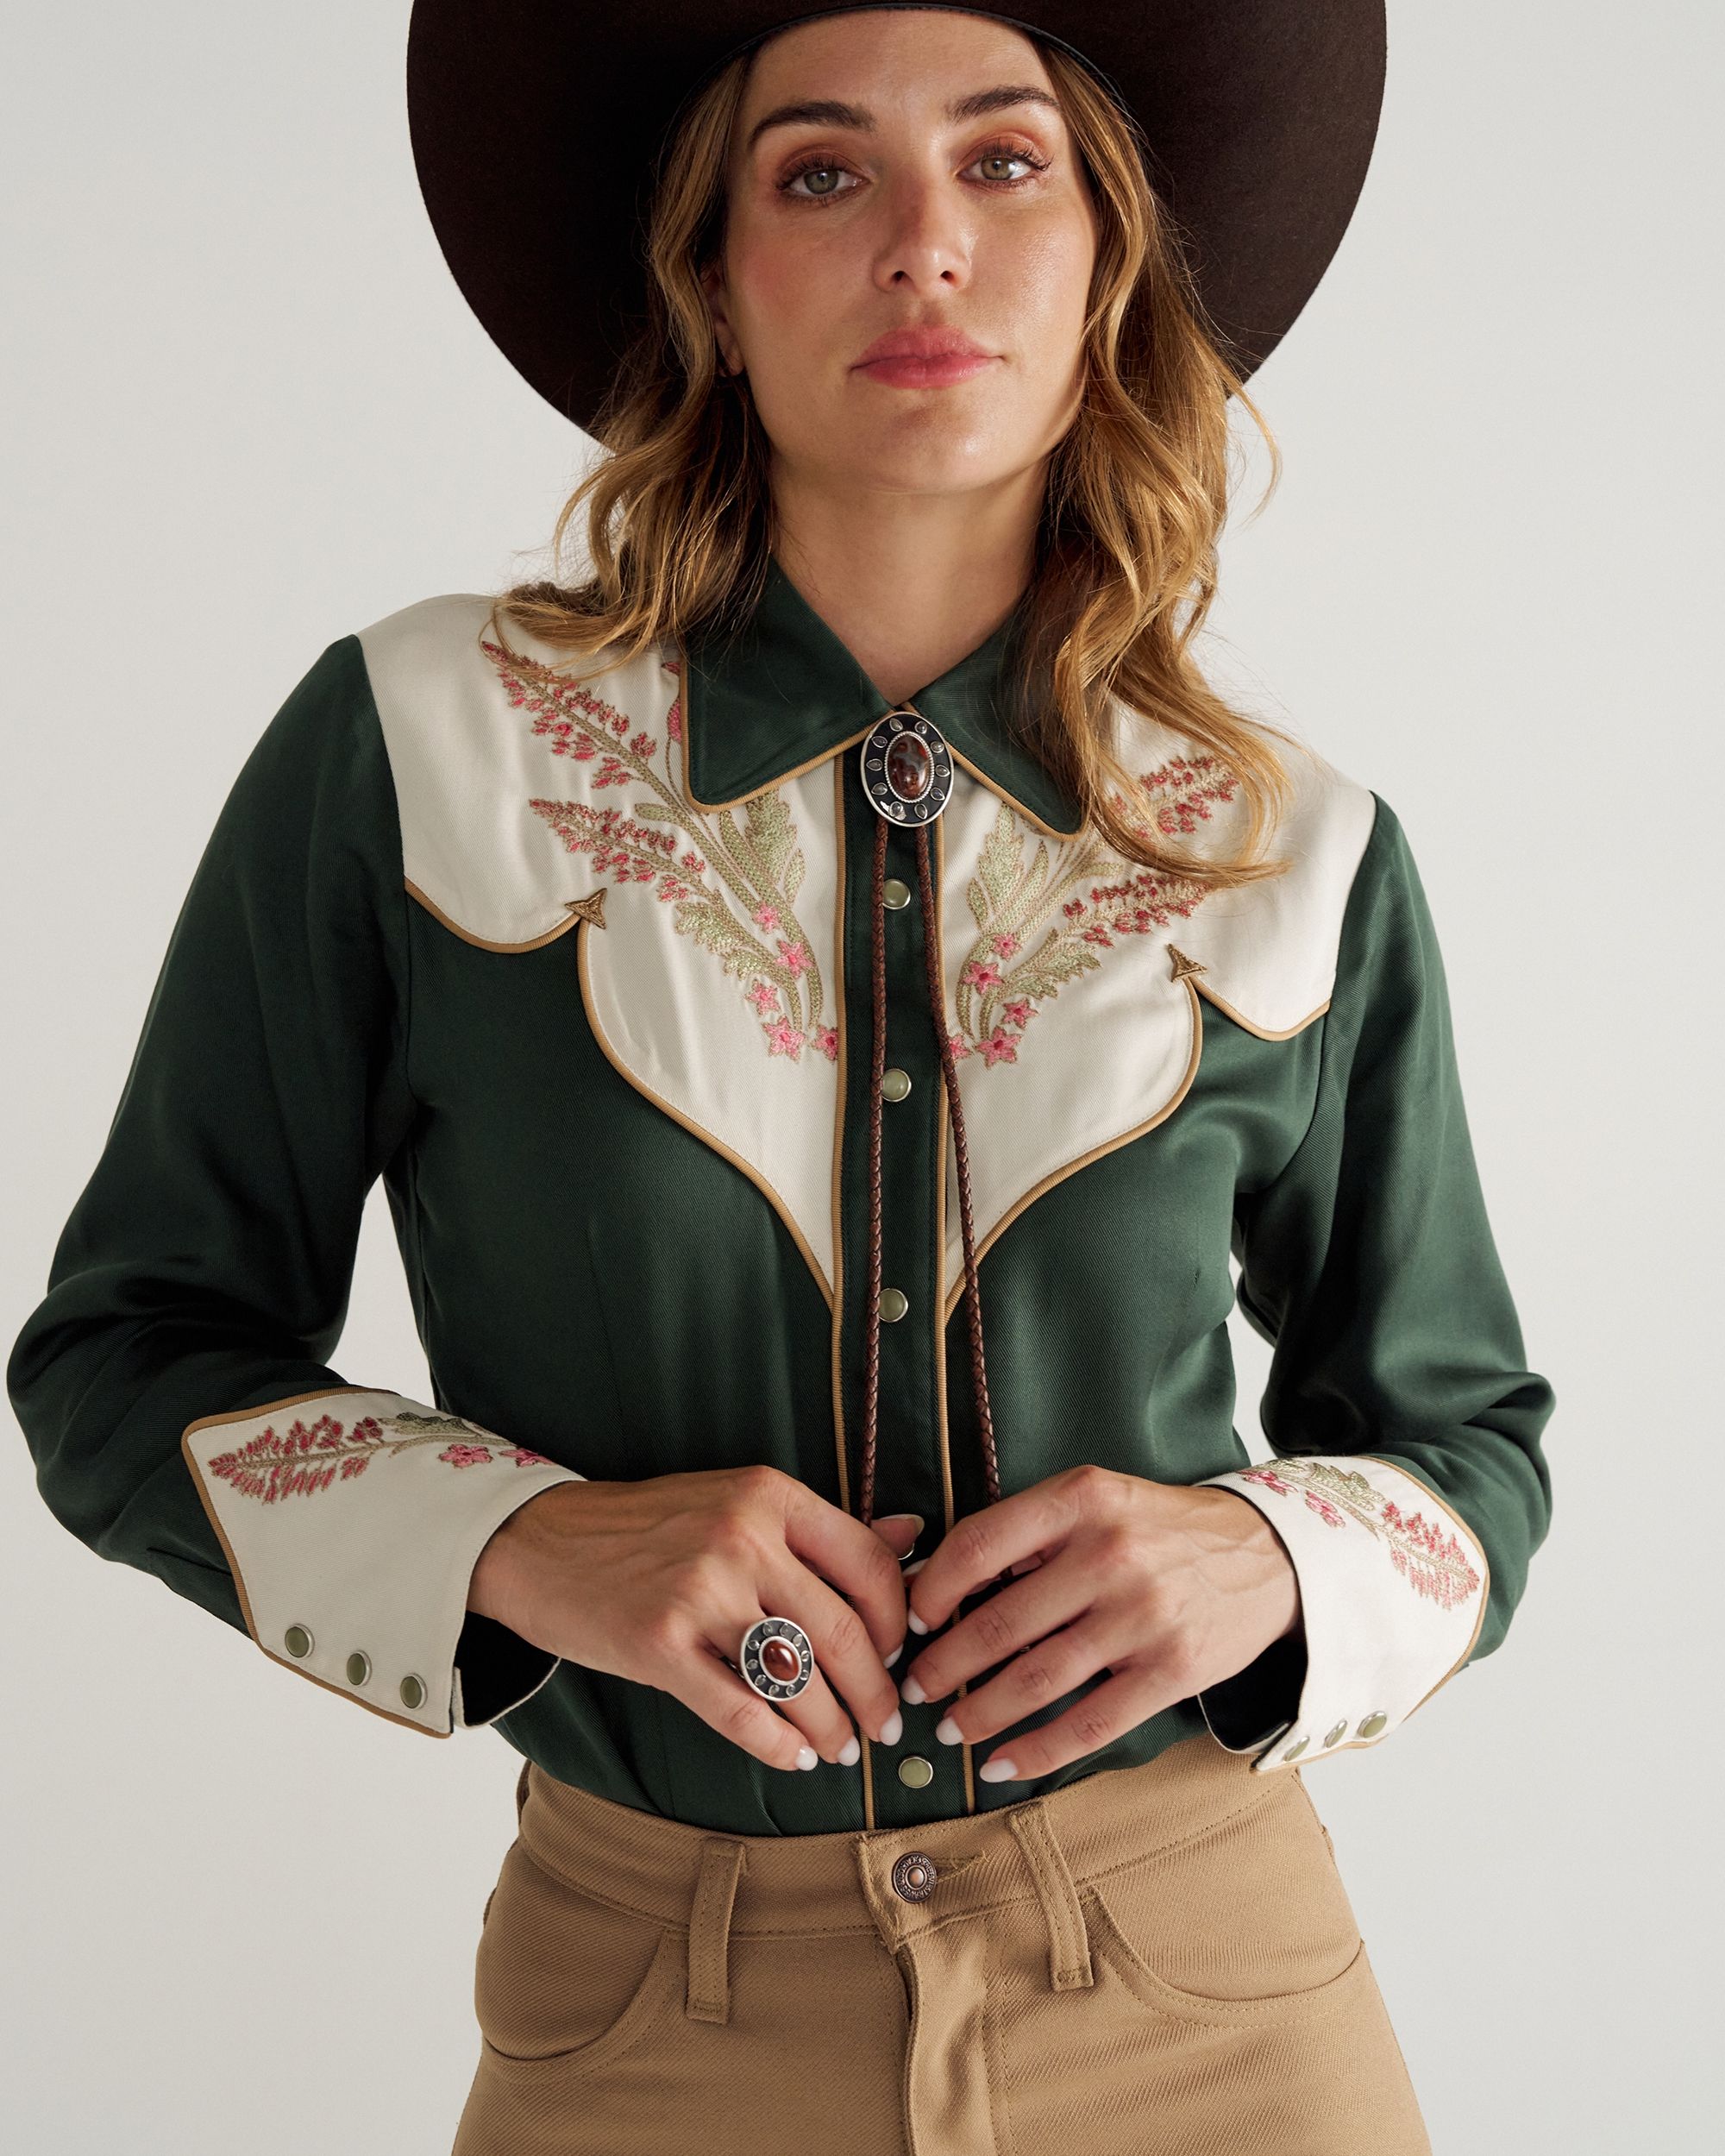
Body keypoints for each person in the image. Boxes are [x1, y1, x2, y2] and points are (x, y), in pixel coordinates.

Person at [8, 3, 1556, 2150]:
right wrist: (524, 1536)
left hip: (1212, 2001)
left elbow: (1464, 1438)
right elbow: (123, 1359)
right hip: (654, 2008)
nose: (925, 244)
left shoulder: (1285, 846)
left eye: (1008, 166)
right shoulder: (426, 751)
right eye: (821, 174)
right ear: (712, 285)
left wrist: (1266, 1559)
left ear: (1108, 267)